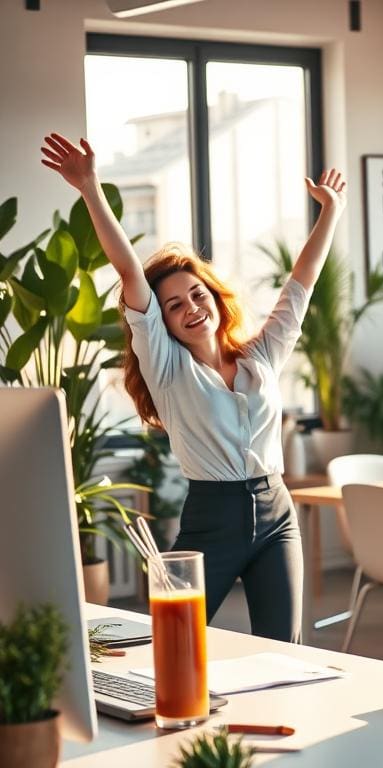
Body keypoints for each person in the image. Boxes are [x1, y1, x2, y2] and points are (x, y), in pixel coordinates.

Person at [42, 132, 347, 643]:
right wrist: (90, 188)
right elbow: (127, 270)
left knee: (285, 648)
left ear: (215, 297)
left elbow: (303, 281)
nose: (190, 308)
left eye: (196, 294)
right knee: (177, 639)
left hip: (277, 512)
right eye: (174, 305)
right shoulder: (166, 367)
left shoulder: (261, 355)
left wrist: (331, 211)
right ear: (160, 321)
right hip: (212, 517)